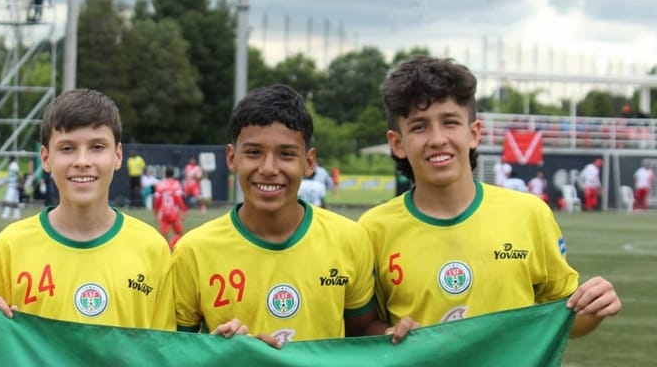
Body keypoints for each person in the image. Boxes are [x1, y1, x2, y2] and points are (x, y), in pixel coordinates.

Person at [358, 55, 620, 339]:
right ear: (397, 144)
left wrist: (593, 308)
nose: (437, 139)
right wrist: (390, 333)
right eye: (419, 127)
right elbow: (361, 327)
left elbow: (566, 317)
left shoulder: (529, 214)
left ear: (474, 133)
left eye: (450, 122)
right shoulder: (373, 229)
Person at [172, 84, 413, 347]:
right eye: (253, 153)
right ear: (232, 158)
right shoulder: (193, 250)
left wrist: (394, 335)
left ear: (308, 162)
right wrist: (219, 348)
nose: (268, 168)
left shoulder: (349, 238)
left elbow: (362, 330)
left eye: (286, 154)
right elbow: (177, 352)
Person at [0, 88, 174, 329]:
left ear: (118, 155)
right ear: (45, 158)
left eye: (97, 147)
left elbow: (162, 347)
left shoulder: (152, 248)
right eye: (67, 148)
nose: (82, 161)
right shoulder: (11, 245)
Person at [154, 166, 187, 247]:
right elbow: (179, 199)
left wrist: (156, 211)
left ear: (165, 174)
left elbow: (157, 200)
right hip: (173, 212)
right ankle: (171, 245)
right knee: (179, 233)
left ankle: (167, 247)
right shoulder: (176, 184)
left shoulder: (161, 184)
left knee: (164, 235)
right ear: (173, 174)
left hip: (164, 212)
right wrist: (183, 209)